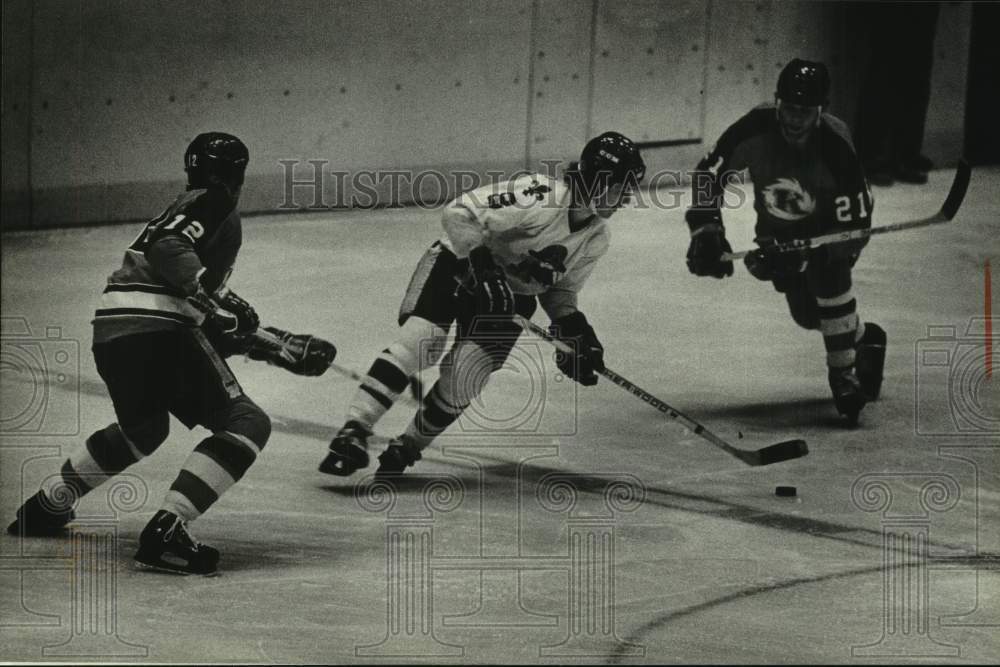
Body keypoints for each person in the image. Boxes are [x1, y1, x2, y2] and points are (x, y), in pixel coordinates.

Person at [7, 132, 335, 575]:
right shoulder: (214, 201)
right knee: (247, 422)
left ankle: (49, 503)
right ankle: (168, 529)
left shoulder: (188, 203)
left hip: (113, 332)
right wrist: (212, 300)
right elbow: (171, 253)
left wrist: (273, 346)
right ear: (237, 175)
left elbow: (204, 318)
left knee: (142, 430)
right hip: (159, 330)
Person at [320, 132, 645, 478]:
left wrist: (576, 331)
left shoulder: (596, 237)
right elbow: (459, 213)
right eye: (623, 187)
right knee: (422, 343)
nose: (628, 197)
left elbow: (559, 291)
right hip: (458, 267)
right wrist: (483, 266)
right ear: (599, 181)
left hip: (509, 300)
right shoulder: (538, 194)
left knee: (466, 375)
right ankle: (354, 430)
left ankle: (409, 446)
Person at [684, 59, 886, 425]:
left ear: (820, 109)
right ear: (777, 101)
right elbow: (708, 173)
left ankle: (843, 376)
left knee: (828, 281)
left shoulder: (836, 143)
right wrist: (706, 228)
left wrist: (812, 254)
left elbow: (857, 222)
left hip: (828, 232)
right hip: (777, 235)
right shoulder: (754, 125)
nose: (795, 119)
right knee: (808, 315)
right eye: (789, 108)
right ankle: (865, 337)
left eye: (804, 111)